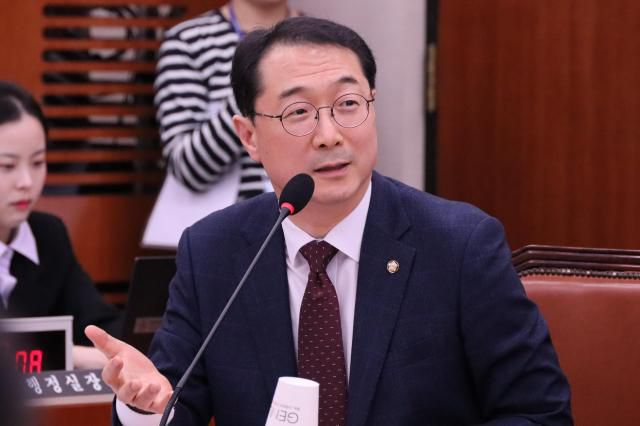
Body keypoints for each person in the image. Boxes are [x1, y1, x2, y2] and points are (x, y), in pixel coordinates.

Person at [86, 17, 572, 425]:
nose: (329, 134)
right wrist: (146, 407)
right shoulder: (213, 251)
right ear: (249, 136)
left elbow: (538, 413)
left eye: (348, 105)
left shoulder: (459, 244)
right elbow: (174, 402)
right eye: (298, 112)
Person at [0, 81, 122, 364]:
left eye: (37, 162)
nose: (26, 182)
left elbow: (100, 326)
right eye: (6, 166)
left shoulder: (47, 234)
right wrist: (72, 354)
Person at [154, 0, 300, 198]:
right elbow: (187, 171)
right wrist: (252, 91)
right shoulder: (188, 42)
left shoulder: (323, 43)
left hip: (312, 211)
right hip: (233, 214)